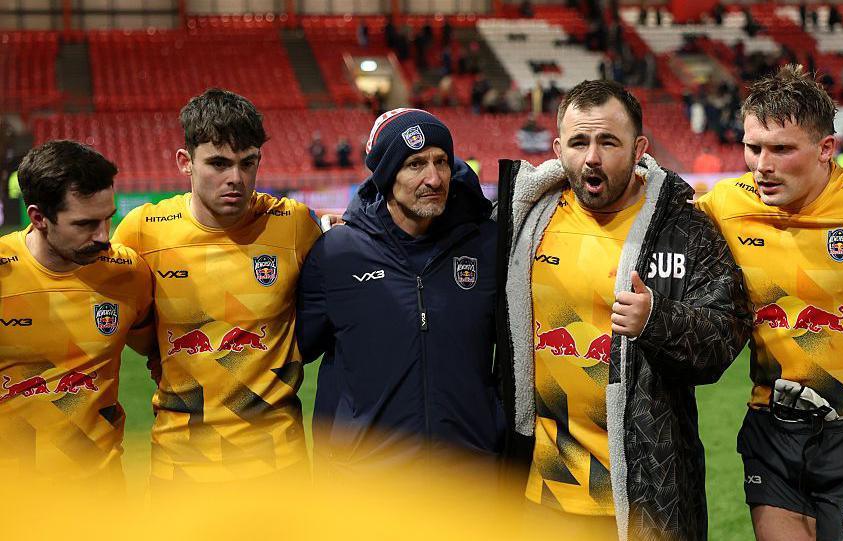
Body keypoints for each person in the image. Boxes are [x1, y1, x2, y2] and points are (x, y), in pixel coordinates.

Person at [496, 79, 752, 540]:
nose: (591, 157)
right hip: (540, 493)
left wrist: (657, 319)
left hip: (648, 495)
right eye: (578, 142)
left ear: (639, 148)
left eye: (608, 141)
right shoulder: (525, 221)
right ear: (558, 148)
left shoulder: (684, 227)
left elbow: (726, 334)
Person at [696, 64, 843, 541]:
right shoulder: (724, 204)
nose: (762, 164)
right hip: (771, 427)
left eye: (781, 149)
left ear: (825, 150)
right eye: (753, 147)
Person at [112, 88, 322, 488]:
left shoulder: (294, 225)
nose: (236, 179)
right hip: (180, 470)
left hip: (280, 469)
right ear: (184, 162)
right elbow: (121, 322)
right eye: (218, 163)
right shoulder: (142, 231)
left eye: (248, 163)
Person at [296, 109, 504, 480]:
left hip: (468, 485)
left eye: (441, 161)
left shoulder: (488, 247)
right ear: (387, 175)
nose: (434, 178)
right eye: (415, 164)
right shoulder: (336, 254)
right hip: (366, 488)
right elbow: (295, 349)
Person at [0, 140, 153, 487]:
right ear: (39, 217)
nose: (104, 237)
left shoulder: (127, 271)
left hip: (101, 497)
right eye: (85, 224)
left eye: (107, 219)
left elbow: (155, 350)